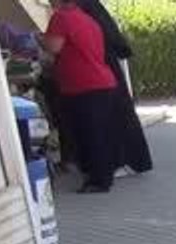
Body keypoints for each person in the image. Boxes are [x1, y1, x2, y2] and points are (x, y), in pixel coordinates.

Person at [42, 0, 120, 193]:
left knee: (88, 135)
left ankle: (98, 181)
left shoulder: (60, 17)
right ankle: (103, 176)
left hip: (84, 86)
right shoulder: (87, 19)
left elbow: (54, 47)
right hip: (102, 82)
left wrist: (38, 38)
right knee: (99, 133)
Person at [75, 0, 153, 176]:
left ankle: (123, 160)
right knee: (119, 111)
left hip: (102, 62)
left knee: (115, 114)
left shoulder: (82, 8)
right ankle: (131, 160)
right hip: (106, 61)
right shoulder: (91, 7)